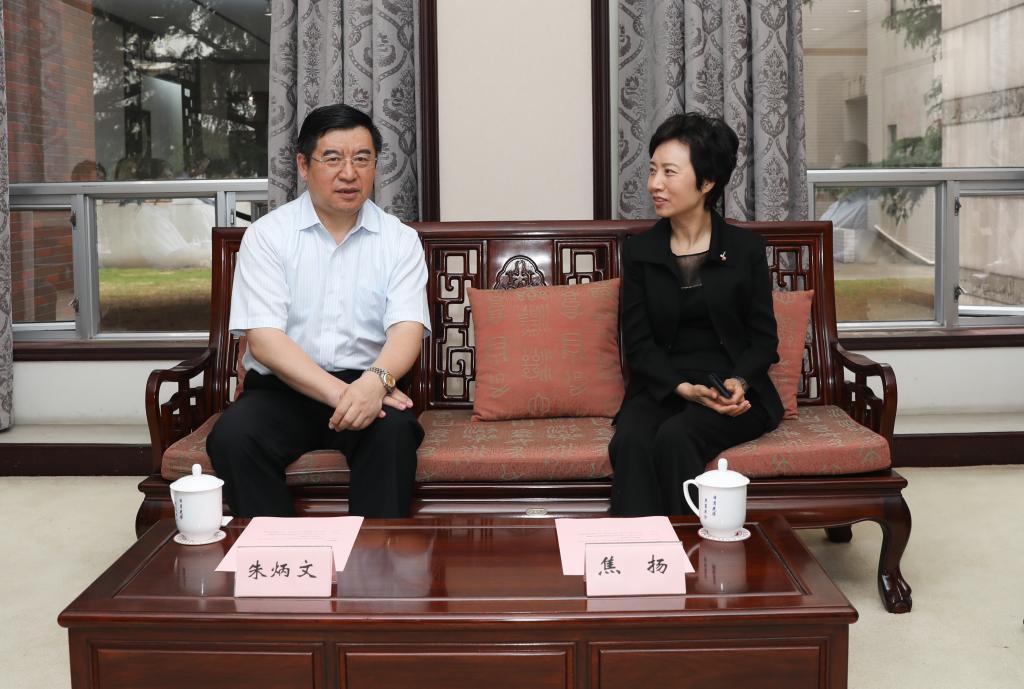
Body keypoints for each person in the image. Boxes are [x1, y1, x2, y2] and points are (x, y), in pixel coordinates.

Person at [207, 104, 431, 518]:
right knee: (233, 437)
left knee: (396, 434)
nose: (349, 173)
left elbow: (407, 330)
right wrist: (347, 396)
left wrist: (374, 383)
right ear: (303, 166)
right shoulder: (268, 236)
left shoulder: (399, 240)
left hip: (367, 382)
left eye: (362, 159)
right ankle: (281, 552)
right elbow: (265, 341)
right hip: (282, 390)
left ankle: (371, 557)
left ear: (375, 166)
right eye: (332, 159)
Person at [608, 112, 784, 516]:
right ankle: (637, 547)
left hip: (732, 392)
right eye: (652, 170)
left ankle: (687, 548)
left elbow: (763, 340)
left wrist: (739, 381)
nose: (654, 184)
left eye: (669, 172)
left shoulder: (745, 249)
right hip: (663, 386)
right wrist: (682, 388)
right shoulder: (641, 252)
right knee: (631, 441)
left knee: (677, 437)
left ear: (706, 182)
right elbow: (638, 343)